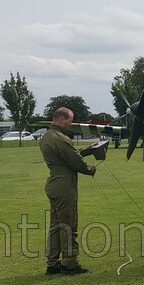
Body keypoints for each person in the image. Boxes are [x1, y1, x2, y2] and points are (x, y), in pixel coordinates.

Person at [40, 107, 97, 275]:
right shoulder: (60, 138)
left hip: (55, 185)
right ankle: (70, 263)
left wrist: (87, 150)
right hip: (64, 187)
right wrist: (91, 169)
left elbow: (67, 156)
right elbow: (75, 162)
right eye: (70, 121)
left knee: (56, 226)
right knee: (68, 225)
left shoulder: (47, 137)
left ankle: (52, 263)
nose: (71, 125)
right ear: (62, 119)